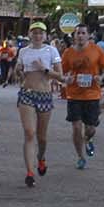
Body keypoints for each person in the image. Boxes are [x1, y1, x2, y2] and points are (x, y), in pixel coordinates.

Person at [11, 22, 61, 187]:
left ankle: (41, 158)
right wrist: (19, 71)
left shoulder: (51, 51)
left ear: (45, 36)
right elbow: (18, 69)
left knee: (42, 137)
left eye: (41, 33)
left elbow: (60, 76)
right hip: (27, 94)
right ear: (30, 34)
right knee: (29, 132)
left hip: (45, 95)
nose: (38, 36)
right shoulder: (24, 51)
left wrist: (44, 69)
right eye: (35, 33)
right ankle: (30, 172)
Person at [61, 25, 104, 170]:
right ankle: (80, 157)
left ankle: (89, 139)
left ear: (88, 35)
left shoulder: (96, 50)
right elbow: (62, 72)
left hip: (92, 94)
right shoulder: (68, 52)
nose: (80, 36)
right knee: (76, 127)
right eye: (78, 33)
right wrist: (65, 79)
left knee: (90, 129)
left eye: (83, 33)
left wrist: (101, 77)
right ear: (74, 36)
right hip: (74, 94)